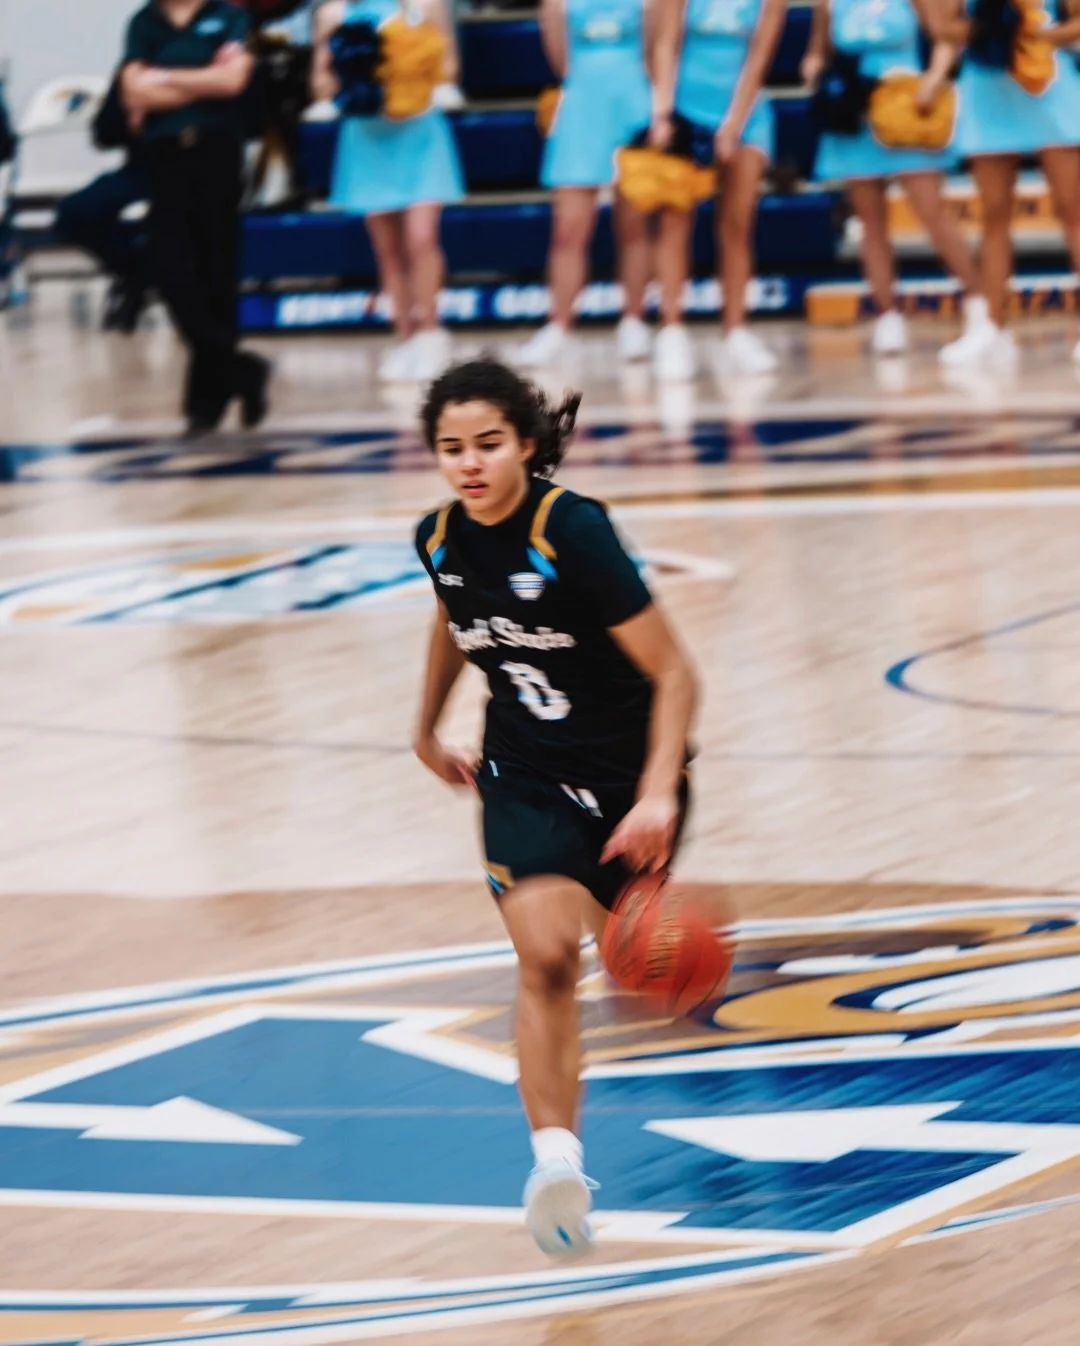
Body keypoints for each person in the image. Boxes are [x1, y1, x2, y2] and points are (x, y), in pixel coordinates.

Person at [412, 357, 699, 1256]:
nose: (469, 463)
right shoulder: (437, 537)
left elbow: (676, 673)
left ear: (527, 447)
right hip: (523, 771)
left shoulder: (572, 529)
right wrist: (425, 727)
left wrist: (657, 794)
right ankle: (554, 1163)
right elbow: (453, 616)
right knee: (543, 958)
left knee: (649, 972)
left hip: (627, 783)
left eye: (488, 444)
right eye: (451, 448)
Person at [801, 0, 991, 357]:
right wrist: (814, 68)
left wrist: (934, 78)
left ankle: (979, 303)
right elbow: (818, 51)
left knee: (932, 213)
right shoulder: (828, 4)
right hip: (856, 112)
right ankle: (888, 315)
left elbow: (945, 38)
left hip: (906, 107)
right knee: (871, 221)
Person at [121, 0, 272, 436]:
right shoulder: (144, 21)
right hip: (165, 154)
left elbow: (232, 81)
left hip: (217, 152)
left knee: (216, 272)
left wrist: (163, 77)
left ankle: (204, 403)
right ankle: (243, 369)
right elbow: (133, 92)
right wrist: (201, 79)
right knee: (169, 272)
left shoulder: (228, 16)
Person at [312, 0, 464, 382]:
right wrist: (353, 73)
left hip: (420, 133)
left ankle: (431, 331)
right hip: (367, 138)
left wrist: (408, 70)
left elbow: (449, 68)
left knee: (421, 237)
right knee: (387, 250)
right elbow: (321, 84)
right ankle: (405, 338)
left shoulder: (427, 5)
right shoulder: (333, 14)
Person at [935, 0, 1080, 365]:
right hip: (986, 84)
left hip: (1044, 81)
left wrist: (1036, 35)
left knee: (1073, 209)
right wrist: (989, 30)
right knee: (994, 214)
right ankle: (991, 327)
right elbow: (946, 28)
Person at [648, 0, 787, 380]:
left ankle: (737, 331)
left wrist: (733, 124)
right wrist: (662, 112)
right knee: (675, 221)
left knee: (737, 225)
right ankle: (672, 331)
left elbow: (760, 57)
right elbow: (665, 43)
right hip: (685, 109)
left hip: (745, 112)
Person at [517, 0, 653, 368]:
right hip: (581, 108)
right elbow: (560, 58)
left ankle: (634, 321)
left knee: (634, 225)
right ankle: (559, 326)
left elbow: (656, 51)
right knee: (567, 231)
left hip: (634, 105)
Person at [55, 68, 151, 334]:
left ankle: (145, 272)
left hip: (196, 168)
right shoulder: (135, 68)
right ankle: (136, 268)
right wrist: (131, 111)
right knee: (73, 213)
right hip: (141, 169)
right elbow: (104, 133)